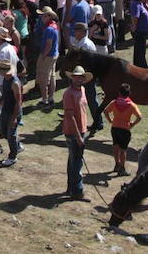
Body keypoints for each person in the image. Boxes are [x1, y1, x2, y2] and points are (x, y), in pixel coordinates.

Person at [62, 65, 91, 199]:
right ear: (72, 78)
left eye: (80, 77)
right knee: (77, 162)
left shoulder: (82, 90)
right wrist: (78, 136)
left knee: (73, 160)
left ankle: (71, 188)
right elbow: (70, 115)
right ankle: (77, 191)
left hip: (81, 129)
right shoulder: (68, 93)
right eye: (76, 77)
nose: (78, 79)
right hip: (73, 131)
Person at [106, 84, 143, 175]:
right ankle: (122, 169)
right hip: (125, 129)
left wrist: (110, 120)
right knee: (123, 149)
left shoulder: (114, 102)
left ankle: (116, 165)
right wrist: (132, 124)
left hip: (115, 127)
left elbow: (105, 111)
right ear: (129, 93)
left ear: (119, 93)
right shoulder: (131, 105)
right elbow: (139, 116)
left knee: (115, 146)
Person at [0, 59, 23, 167]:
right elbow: (5, 94)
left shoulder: (14, 83)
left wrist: (15, 117)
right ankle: (17, 146)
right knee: (4, 132)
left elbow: (18, 101)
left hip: (13, 112)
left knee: (10, 134)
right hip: (6, 110)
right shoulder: (5, 79)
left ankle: (12, 156)